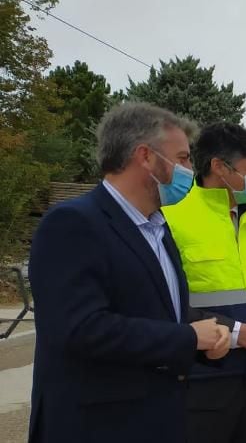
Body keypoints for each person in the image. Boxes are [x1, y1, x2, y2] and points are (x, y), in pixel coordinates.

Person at [28, 103, 231, 443]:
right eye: (181, 158)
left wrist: (206, 343)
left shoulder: (158, 230)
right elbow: (79, 329)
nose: (189, 171)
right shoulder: (72, 224)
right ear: (145, 156)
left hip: (157, 420)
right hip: (97, 426)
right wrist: (189, 338)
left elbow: (157, 313)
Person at [162, 123, 246, 443]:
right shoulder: (172, 216)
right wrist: (233, 333)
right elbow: (162, 302)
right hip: (200, 381)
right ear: (219, 166)